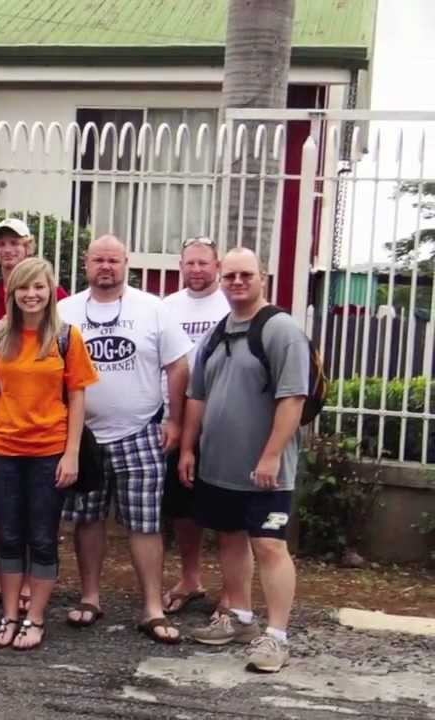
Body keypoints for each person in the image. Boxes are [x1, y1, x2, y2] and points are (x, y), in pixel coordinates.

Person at [178, 248, 310, 673]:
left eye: (246, 275)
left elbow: (293, 399)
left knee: (270, 546)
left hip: (266, 471)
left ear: (263, 278)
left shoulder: (280, 329)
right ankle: (239, 617)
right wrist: (187, 448)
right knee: (231, 540)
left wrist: (270, 456)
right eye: (231, 275)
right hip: (219, 466)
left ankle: (276, 636)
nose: (237, 282)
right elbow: (197, 395)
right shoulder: (217, 333)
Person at [56, 235, 192, 644]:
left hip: (142, 430)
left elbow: (178, 368)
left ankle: (151, 606)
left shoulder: (153, 309)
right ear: (85, 263)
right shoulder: (64, 311)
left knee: (146, 523)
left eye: (113, 260)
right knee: (87, 519)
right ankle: (90, 597)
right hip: (84, 436)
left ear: (126, 263)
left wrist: (174, 421)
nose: (106, 267)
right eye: (98, 259)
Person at [0, 258, 99, 649]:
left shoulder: (66, 337)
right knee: (9, 536)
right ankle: (10, 615)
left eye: (38, 287)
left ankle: (36, 618)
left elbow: (77, 397)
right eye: (23, 288)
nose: (31, 294)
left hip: (49, 451)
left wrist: (72, 453)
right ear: (12, 293)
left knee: (43, 538)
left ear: (51, 291)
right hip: (5, 450)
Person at [0, 217, 69, 613]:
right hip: (3, 436)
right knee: (3, 517)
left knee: (41, 523)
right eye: (1, 244)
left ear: (29, 246)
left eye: (16, 243)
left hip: (47, 438)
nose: (8, 250)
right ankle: (2, 579)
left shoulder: (57, 312)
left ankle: (31, 588)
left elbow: (74, 384)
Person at [160, 237, 246, 617]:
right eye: (190, 263)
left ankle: (232, 592)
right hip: (178, 418)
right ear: (180, 265)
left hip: (226, 420)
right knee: (183, 507)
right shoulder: (166, 307)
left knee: (229, 511)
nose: (196, 270)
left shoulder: (234, 303)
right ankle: (190, 578)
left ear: (217, 266)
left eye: (204, 264)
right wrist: (171, 419)